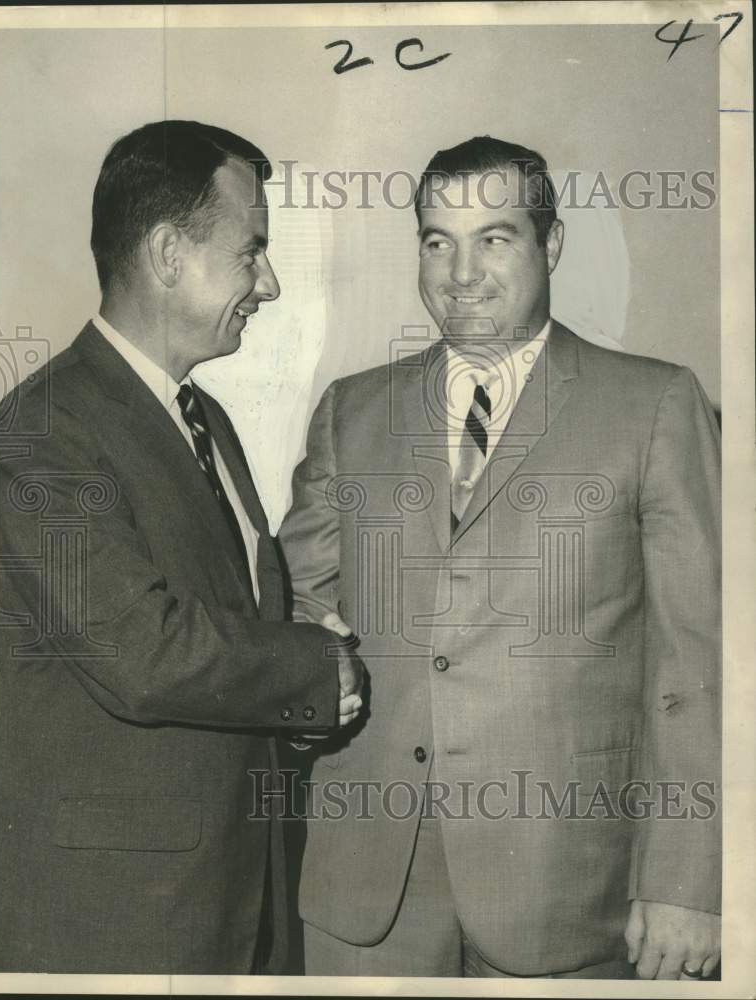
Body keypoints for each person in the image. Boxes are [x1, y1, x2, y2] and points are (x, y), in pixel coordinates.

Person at [279, 135, 721, 979]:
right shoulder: (353, 410)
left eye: (495, 237)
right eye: (438, 240)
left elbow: (699, 661)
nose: (461, 271)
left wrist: (690, 881)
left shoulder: (656, 405)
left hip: (569, 891)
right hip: (364, 893)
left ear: (550, 245)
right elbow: (294, 603)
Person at [0, 119, 362, 974]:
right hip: (120, 925)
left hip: (236, 900)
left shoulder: (202, 417)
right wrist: (314, 672)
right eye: (251, 251)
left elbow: (231, 619)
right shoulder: (46, 426)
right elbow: (143, 651)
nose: (267, 283)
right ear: (165, 252)